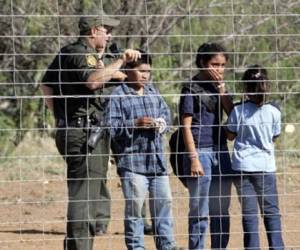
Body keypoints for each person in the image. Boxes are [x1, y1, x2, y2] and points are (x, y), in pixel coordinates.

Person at [40, 10, 141, 250]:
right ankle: (79, 246)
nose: (109, 36)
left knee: (86, 191)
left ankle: (76, 244)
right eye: (107, 31)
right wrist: (120, 62)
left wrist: (61, 118)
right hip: (84, 133)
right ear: (94, 31)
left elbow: (46, 85)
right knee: (84, 195)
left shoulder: (67, 53)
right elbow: (93, 81)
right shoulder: (79, 54)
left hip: (77, 129)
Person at [107, 51, 182, 250]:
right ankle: (136, 247)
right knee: (135, 210)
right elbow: (111, 128)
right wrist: (134, 124)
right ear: (128, 71)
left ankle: (167, 246)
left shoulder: (153, 92)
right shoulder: (118, 95)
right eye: (141, 71)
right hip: (132, 164)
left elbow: (167, 117)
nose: (145, 76)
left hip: (157, 163)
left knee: (164, 205)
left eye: (148, 71)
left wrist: (161, 125)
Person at [179, 42, 234, 249]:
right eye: (214, 64)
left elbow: (233, 114)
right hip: (199, 152)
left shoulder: (219, 87)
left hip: (220, 151)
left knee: (221, 208)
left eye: (222, 65)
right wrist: (193, 159)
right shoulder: (190, 89)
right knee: (199, 210)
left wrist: (221, 89)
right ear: (202, 62)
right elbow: (185, 126)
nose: (219, 69)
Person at [226, 65, 284, 250]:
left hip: (242, 167)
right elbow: (275, 136)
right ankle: (277, 247)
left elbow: (230, 135)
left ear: (246, 88)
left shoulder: (238, 110)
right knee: (271, 212)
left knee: (249, 214)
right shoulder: (274, 111)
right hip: (265, 167)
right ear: (267, 86)